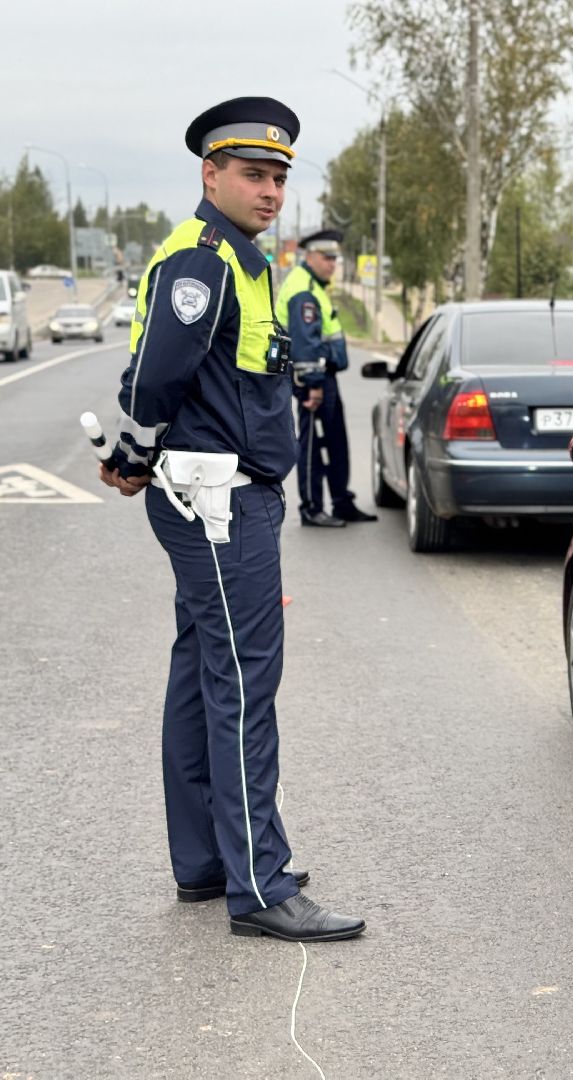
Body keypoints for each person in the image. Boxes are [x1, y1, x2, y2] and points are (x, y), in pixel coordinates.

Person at [97, 96, 365, 942]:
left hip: (225, 494)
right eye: (254, 173)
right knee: (245, 682)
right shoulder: (201, 262)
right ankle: (260, 883)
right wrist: (134, 449)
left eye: (280, 176)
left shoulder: (247, 261)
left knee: (200, 671)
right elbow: (151, 378)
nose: (271, 190)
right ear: (210, 173)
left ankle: (207, 861)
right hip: (218, 502)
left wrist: (143, 456)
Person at [277, 229, 376, 526]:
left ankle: (341, 501)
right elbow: (305, 345)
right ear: (310, 256)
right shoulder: (304, 289)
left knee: (335, 443)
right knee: (312, 447)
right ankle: (311, 508)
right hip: (312, 380)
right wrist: (313, 386)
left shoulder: (316, 286)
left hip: (324, 377)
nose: (332, 264)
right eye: (327, 258)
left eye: (335, 258)